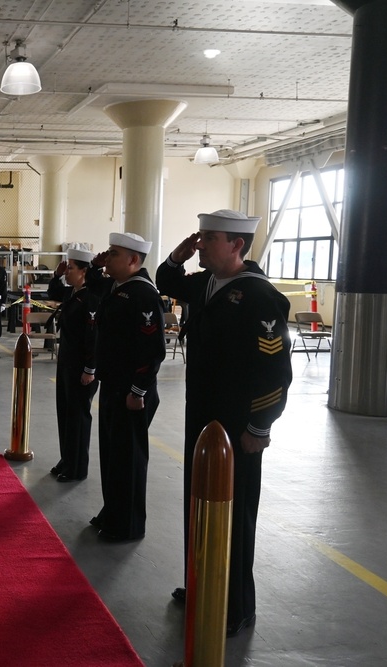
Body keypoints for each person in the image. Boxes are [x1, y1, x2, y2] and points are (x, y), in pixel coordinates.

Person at [156, 208, 292, 638]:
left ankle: (235, 606)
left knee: (234, 513)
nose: (200, 243)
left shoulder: (258, 296)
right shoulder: (208, 282)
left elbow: (275, 371)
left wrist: (260, 426)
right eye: (199, 236)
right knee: (198, 503)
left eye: (208, 237)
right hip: (203, 417)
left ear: (236, 245)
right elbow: (166, 281)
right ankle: (202, 586)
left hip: (236, 425)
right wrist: (177, 256)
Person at [86, 233, 166, 540]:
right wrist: (96, 266)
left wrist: (138, 391)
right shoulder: (119, 287)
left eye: (114, 254)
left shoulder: (143, 294)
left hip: (132, 391)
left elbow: (152, 349)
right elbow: (94, 286)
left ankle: (128, 525)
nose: (107, 258)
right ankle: (113, 511)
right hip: (113, 385)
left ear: (133, 260)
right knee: (112, 455)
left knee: (128, 460)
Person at [46, 247, 99, 483]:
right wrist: (56, 275)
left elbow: (93, 336)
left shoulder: (92, 297)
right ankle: (67, 458)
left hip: (82, 367)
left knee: (78, 416)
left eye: (71, 268)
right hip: (67, 362)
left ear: (84, 271)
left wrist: (90, 369)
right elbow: (53, 291)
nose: (67, 272)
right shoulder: (74, 292)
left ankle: (78, 467)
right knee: (65, 413)